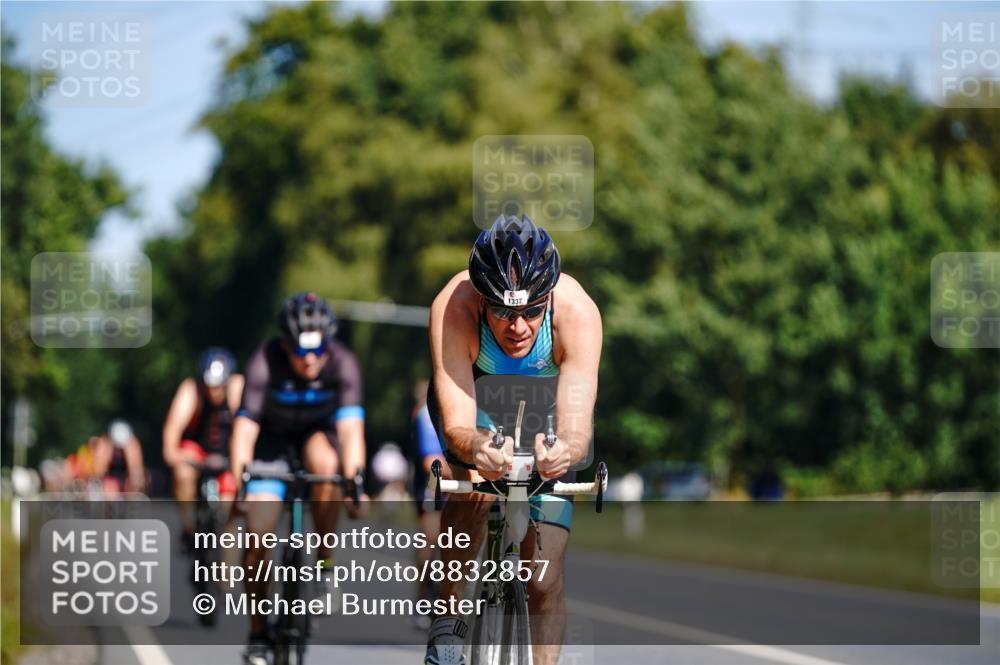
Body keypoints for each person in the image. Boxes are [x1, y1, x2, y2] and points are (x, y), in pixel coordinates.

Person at [424, 214, 602, 665]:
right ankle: (448, 619)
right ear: (481, 301)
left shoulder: (577, 313)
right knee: (475, 490)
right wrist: (476, 449)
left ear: (549, 299)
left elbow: (577, 428)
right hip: (476, 401)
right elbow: (458, 424)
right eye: (503, 311)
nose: (518, 326)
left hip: (547, 411)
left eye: (531, 311)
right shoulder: (453, 307)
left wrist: (563, 451)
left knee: (543, 579)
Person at [229, 292, 367, 665]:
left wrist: (354, 480)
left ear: (328, 344)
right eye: (300, 351)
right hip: (270, 443)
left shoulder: (343, 363)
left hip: (317, 435)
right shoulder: (265, 361)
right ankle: (258, 633)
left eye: (317, 350)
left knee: (327, 465)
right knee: (258, 534)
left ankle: (325, 564)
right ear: (285, 344)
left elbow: (351, 431)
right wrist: (241, 478)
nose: (309, 359)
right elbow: (244, 430)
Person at [162, 347, 244, 547]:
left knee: (230, 504)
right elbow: (169, 449)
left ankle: (225, 555)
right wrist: (192, 460)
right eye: (209, 385)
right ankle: (190, 529)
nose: (213, 391)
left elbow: (245, 435)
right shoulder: (191, 391)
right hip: (196, 454)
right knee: (182, 473)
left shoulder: (238, 387)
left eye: (219, 386)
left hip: (229, 455)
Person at [409, 379, 447, 630]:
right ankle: (422, 598)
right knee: (430, 538)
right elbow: (430, 459)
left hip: (460, 476)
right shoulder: (425, 413)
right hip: (433, 481)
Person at [92, 419, 146, 498]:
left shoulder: (133, 445)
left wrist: (134, 484)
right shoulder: (104, 445)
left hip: (125, 478)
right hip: (109, 478)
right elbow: (98, 472)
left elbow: (136, 469)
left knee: (135, 482)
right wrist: (106, 455)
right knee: (109, 489)